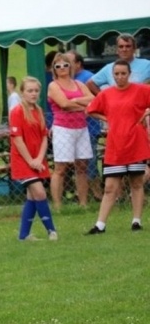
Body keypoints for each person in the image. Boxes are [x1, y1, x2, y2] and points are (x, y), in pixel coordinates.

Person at [85, 59, 150, 234]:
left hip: (136, 142)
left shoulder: (141, 90)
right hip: (115, 144)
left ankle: (136, 221)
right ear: (112, 75)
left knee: (136, 183)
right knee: (110, 187)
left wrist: (146, 113)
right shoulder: (106, 94)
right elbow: (90, 110)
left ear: (129, 74)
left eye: (123, 73)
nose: (120, 77)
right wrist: (107, 119)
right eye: (116, 74)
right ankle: (100, 225)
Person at [9, 77, 58, 241]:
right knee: (40, 192)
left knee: (32, 196)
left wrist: (39, 158)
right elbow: (17, 140)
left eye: (36, 91)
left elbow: (44, 137)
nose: (33, 94)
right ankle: (52, 231)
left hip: (37, 160)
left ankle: (24, 235)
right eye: (30, 91)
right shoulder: (17, 111)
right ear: (22, 92)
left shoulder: (39, 111)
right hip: (23, 161)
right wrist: (31, 161)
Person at [47, 53, 95, 211]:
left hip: (81, 127)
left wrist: (75, 100)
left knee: (82, 166)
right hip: (63, 128)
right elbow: (64, 104)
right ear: (54, 69)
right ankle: (57, 205)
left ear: (71, 67)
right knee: (60, 168)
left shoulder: (79, 84)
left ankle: (83, 203)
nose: (62, 68)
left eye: (65, 65)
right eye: (58, 66)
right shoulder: (53, 85)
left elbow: (92, 99)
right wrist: (83, 107)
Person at [68, 50, 104, 204]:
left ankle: (97, 192)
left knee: (90, 161)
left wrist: (75, 104)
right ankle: (81, 192)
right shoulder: (68, 80)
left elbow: (96, 100)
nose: (67, 66)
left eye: (70, 62)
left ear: (78, 63)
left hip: (89, 127)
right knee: (78, 163)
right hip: (73, 128)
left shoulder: (88, 78)